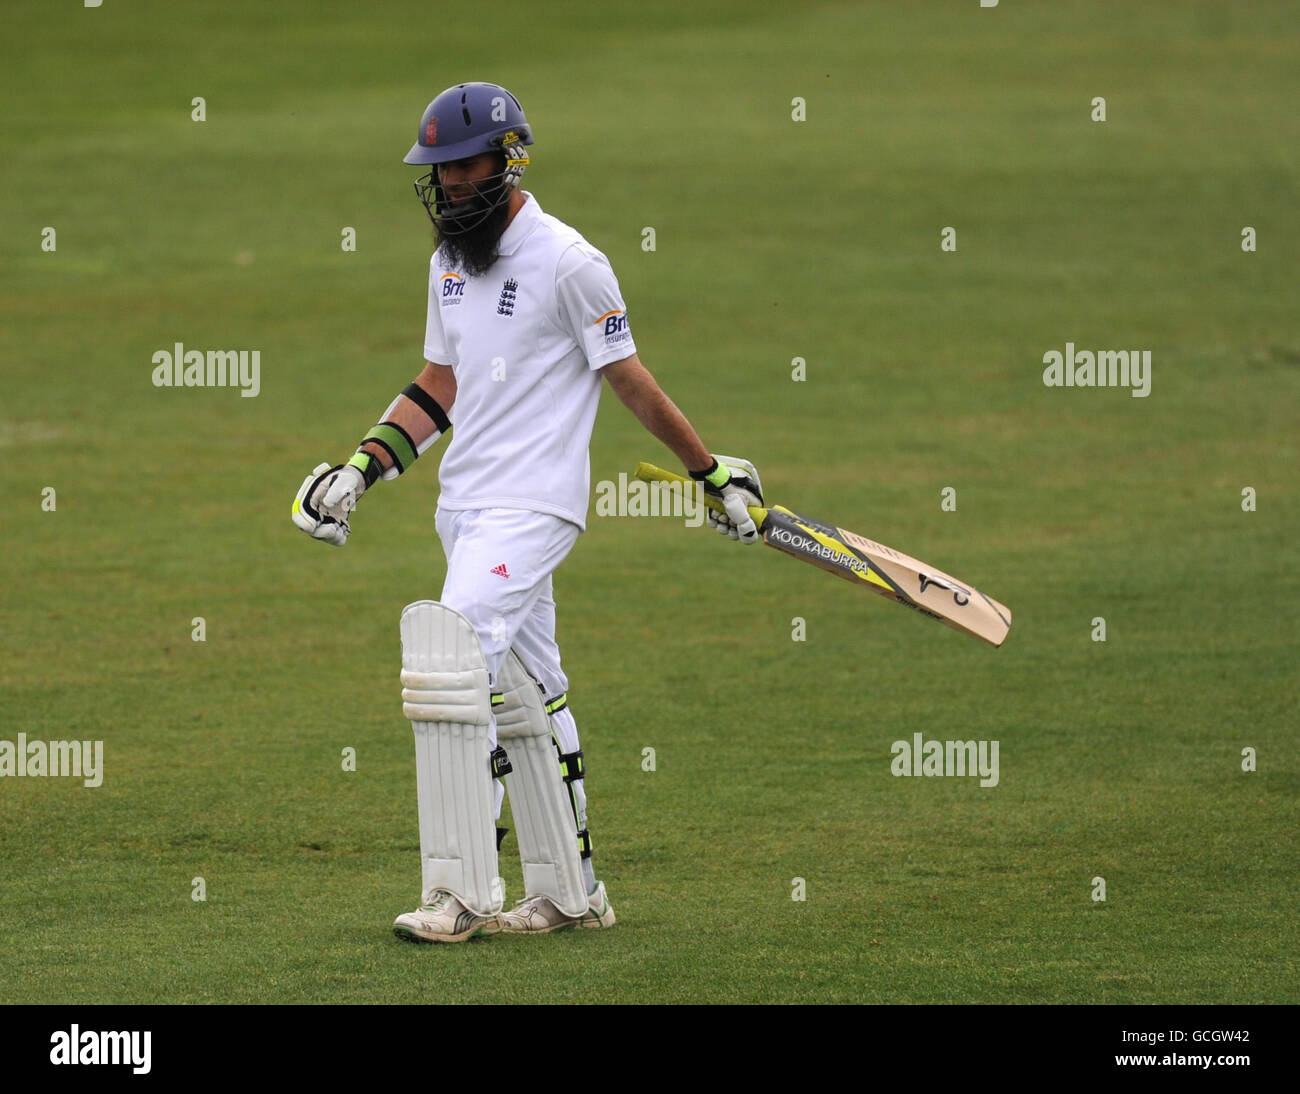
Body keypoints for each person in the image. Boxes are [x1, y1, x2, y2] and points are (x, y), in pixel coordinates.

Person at [291, 82, 764, 942]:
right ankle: (570, 896)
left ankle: (459, 895)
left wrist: (709, 471)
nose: (448, 186)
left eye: (463, 168)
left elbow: (629, 378)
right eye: (437, 172)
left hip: (534, 506)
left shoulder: (568, 260)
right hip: (465, 505)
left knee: (450, 664)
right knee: (524, 691)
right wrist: (360, 469)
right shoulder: (447, 262)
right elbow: (440, 386)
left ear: (509, 162)